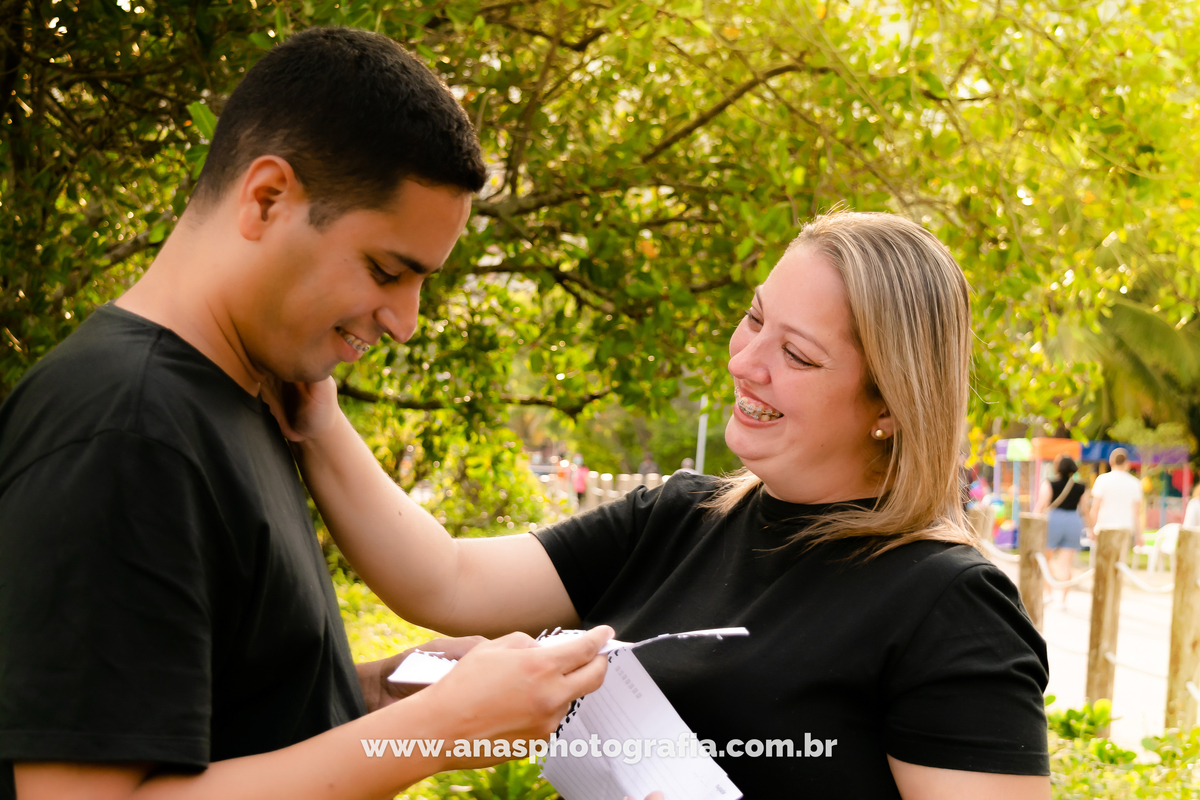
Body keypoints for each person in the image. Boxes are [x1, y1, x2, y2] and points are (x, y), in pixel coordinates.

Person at [0, 28, 619, 800]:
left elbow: (216, 720)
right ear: (267, 198)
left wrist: (376, 698)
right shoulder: (124, 429)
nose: (405, 321)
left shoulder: (249, 399)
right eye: (388, 271)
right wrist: (433, 732)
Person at [280, 210, 1052, 799]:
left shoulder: (949, 605)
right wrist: (315, 411)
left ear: (889, 401)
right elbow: (443, 581)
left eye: (797, 354)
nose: (747, 363)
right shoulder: (681, 518)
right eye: (754, 318)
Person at [1034, 455, 1089, 607]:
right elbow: (1085, 510)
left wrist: (1033, 522)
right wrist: (1090, 528)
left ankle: (1049, 593)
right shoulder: (1080, 487)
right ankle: (1063, 600)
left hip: (1054, 519)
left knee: (1046, 559)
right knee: (1066, 563)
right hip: (1073, 520)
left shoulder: (1049, 483)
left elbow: (1041, 505)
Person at [1089, 448, 1144, 546]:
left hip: (1104, 527)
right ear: (1127, 462)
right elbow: (1136, 512)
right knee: (1121, 560)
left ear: (1111, 462)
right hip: (1126, 528)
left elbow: (1095, 507)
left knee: (1103, 560)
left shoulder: (1102, 480)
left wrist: (1091, 528)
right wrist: (1139, 535)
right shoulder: (1135, 483)